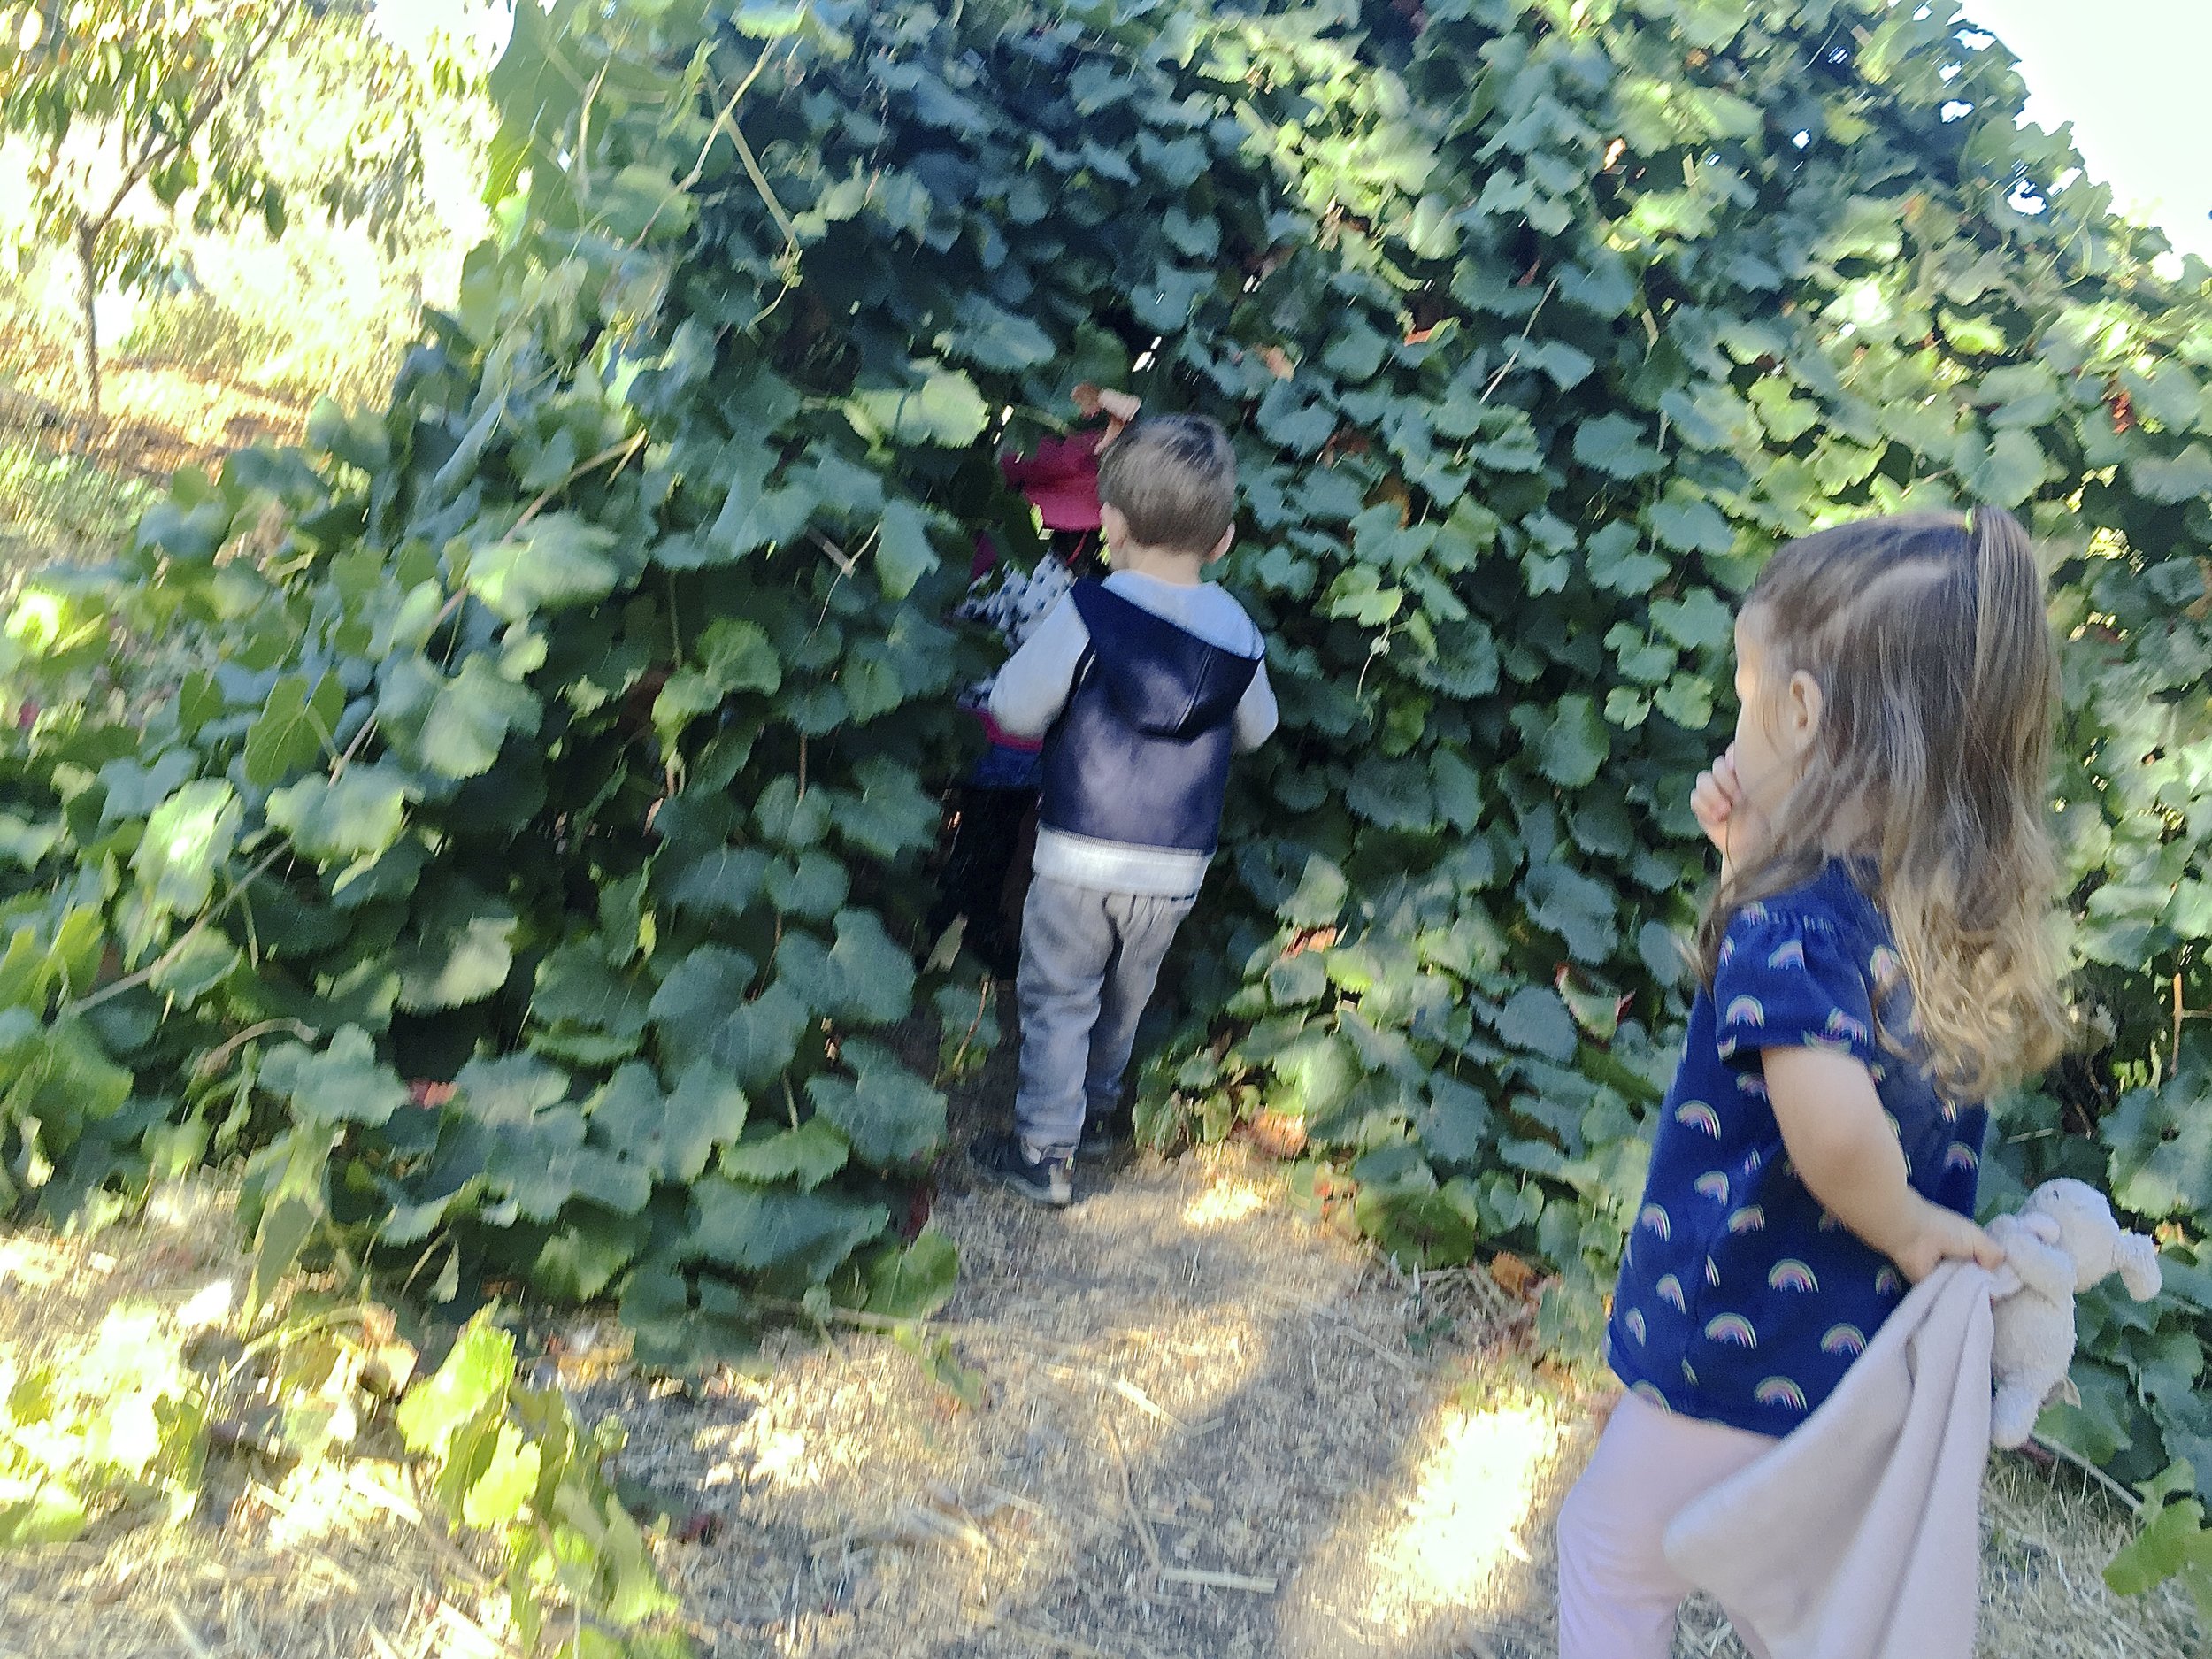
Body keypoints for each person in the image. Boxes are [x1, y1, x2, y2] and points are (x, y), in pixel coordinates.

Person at [1555, 506, 2070, 1658]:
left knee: (1609, 1548)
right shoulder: (1940, 919)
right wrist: (1744, 868)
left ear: (1801, 713)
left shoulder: (1797, 922)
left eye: (1746, 690)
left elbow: (1829, 1125)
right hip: (1845, 1361)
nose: (1734, 720)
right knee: (1786, 1592)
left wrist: (1905, 1222)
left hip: (1730, 1350)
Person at [967, 414, 1278, 1207]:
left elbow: (1017, 704)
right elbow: (1257, 731)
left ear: (1109, 524)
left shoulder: (1088, 614)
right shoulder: (1237, 631)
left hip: (1078, 851)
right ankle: (1099, 1113)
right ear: (1223, 542)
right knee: (1124, 996)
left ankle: (1044, 1147)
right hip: (1175, 861)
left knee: (1060, 994)